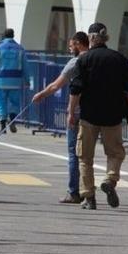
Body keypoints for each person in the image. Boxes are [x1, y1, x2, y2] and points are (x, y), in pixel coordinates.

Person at [68, 23, 128, 210]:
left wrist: (71, 112)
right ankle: (110, 179)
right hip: (113, 115)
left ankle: (89, 197)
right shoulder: (119, 59)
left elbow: (76, 89)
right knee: (115, 153)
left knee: (85, 157)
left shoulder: (84, 60)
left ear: (90, 38)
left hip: (89, 115)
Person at [32, 31, 89, 204]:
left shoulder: (75, 62)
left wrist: (41, 94)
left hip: (77, 111)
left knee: (73, 153)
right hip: (94, 113)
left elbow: (56, 85)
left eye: (71, 46)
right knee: (88, 155)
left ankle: (73, 192)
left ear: (79, 44)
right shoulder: (96, 59)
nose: (70, 49)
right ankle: (89, 193)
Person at [0, 28, 30, 133]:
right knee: (14, 102)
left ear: (4, 36)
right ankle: (13, 121)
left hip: (0, 81)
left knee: (0, 102)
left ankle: (2, 125)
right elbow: (26, 66)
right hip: (15, 81)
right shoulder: (20, 49)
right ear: (13, 36)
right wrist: (27, 80)